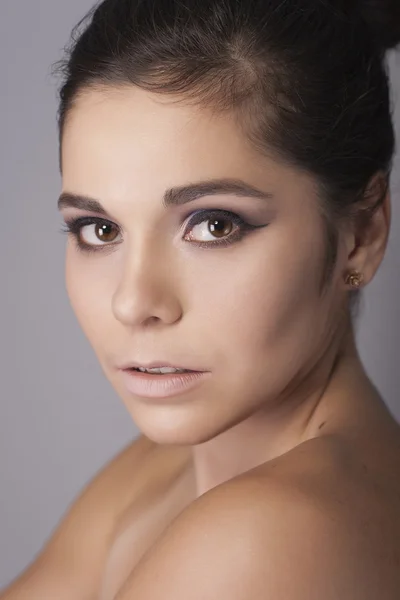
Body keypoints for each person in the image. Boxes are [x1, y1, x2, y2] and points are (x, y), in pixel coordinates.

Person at [2, 0, 400, 598]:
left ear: (360, 236)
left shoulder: (269, 536)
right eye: (99, 229)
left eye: (214, 225)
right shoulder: (163, 469)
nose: (133, 304)